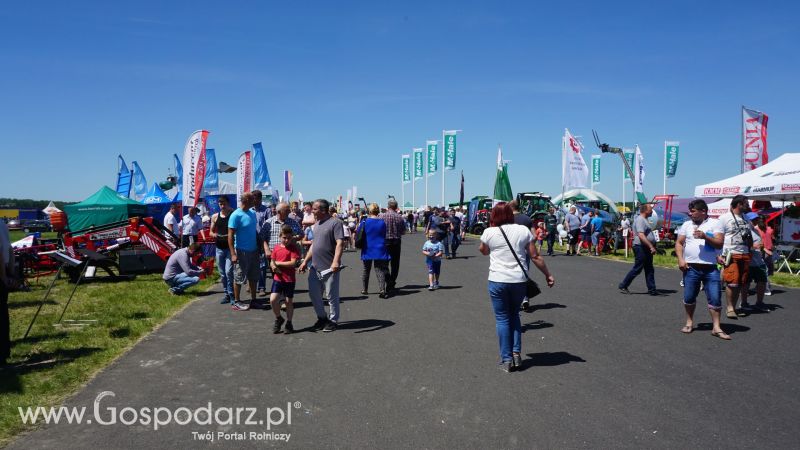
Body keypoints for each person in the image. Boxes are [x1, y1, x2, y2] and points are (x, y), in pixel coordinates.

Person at [479, 203, 555, 372]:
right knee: (514, 315)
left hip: (497, 279)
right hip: (518, 280)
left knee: (502, 318)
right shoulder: (523, 230)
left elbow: (483, 251)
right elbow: (534, 256)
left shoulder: (489, 232)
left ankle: (506, 359)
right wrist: (547, 274)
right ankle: (516, 354)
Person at [675, 199, 729, 339]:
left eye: (693, 211)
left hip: (710, 269)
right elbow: (679, 243)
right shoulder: (686, 225)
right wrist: (680, 259)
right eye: (690, 211)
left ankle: (716, 327)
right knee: (689, 297)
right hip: (691, 268)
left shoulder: (715, 224)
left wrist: (705, 236)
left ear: (703, 211)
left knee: (715, 298)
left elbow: (719, 243)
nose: (690, 213)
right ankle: (689, 321)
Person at [299, 199, 345, 332]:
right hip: (314, 267)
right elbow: (314, 245)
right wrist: (304, 261)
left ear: (323, 210)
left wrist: (336, 261)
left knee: (331, 296)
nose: (311, 211)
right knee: (314, 294)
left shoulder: (335, 223)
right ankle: (322, 318)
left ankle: (333, 320)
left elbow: (340, 243)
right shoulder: (317, 223)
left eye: (314, 209)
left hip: (330, 267)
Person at [719, 195, 755, 319]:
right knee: (732, 281)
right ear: (739, 204)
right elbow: (718, 237)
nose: (748, 206)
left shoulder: (746, 218)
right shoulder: (724, 218)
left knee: (741, 282)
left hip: (745, 253)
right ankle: (729, 308)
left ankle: (733, 307)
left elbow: (750, 233)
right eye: (746, 203)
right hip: (731, 253)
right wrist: (719, 254)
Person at [228, 193, 260, 311]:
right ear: (246, 200)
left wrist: (259, 247)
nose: (255, 201)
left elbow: (254, 232)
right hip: (241, 251)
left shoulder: (252, 213)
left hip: (254, 250)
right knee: (239, 277)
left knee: (253, 276)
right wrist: (233, 254)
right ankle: (237, 302)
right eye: (253, 199)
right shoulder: (235, 215)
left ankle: (254, 300)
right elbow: (230, 235)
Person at [619, 204, 658, 295]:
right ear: (645, 210)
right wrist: (651, 246)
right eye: (650, 209)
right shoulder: (640, 219)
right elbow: (641, 235)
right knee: (638, 268)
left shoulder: (645, 220)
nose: (652, 211)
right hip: (640, 246)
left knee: (649, 268)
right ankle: (624, 285)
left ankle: (652, 289)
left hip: (645, 247)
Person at [269, 225, 301, 334]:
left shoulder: (293, 249)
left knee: (288, 302)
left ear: (291, 238)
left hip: (289, 279)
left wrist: (278, 263)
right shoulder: (276, 248)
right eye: (284, 237)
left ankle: (289, 322)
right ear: (280, 237)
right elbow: (272, 260)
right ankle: (279, 318)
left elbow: (292, 263)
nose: (286, 240)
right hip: (278, 278)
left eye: (288, 238)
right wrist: (273, 265)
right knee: (273, 300)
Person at [740, 213, 771, 312]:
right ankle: (744, 303)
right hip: (748, 262)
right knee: (746, 284)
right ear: (747, 220)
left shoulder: (756, 230)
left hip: (759, 261)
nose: (755, 221)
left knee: (762, 282)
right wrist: (754, 247)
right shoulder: (744, 231)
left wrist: (764, 249)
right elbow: (741, 246)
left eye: (756, 219)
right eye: (753, 219)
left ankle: (759, 302)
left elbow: (760, 245)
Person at [359, 203, 391, 298]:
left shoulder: (365, 222)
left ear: (369, 211)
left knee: (366, 269)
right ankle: (382, 289)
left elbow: (359, 233)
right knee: (379, 269)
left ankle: (365, 289)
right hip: (380, 247)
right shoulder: (382, 222)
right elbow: (384, 234)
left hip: (368, 247)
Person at [210, 196, 234, 304]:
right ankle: (226, 294)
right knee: (222, 273)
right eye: (220, 204)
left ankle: (232, 294)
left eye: (224, 203)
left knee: (229, 271)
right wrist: (214, 235)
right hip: (219, 248)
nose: (222, 206)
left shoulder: (233, 215)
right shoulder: (215, 216)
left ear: (228, 203)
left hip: (230, 248)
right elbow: (211, 231)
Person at [380, 199, 405, 290]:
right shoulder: (400, 217)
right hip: (396, 241)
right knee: (395, 263)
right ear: (396, 207)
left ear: (388, 206)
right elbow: (403, 231)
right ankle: (392, 281)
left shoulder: (382, 216)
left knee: (384, 263)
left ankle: (388, 280)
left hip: (385, 241)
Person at [252, 190, 271, 298]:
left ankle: (261, 287)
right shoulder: (249, 210)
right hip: (250, 239)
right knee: (251, 263)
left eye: (254, 198)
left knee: (262, 265)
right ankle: (252, 283)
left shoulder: (266, 210)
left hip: (262, 240)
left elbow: (268, 225)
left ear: (259, 198)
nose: (253, 200)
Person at [0, 219, 14, 365]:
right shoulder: (2, 224)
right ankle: (4, 351)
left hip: (1, 272)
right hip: (4, 270)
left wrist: (4, 277)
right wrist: (11, 273)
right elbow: (9, 249)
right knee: (3, 315)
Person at [754, 217, 775, 296]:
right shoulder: (770, 229)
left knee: (763, 271)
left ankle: (766, 288)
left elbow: (760, 242)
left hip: (762, 251)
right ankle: (761, 286)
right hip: (769, 251)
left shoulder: (756, 229)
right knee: (766, 270)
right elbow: (773, 240)